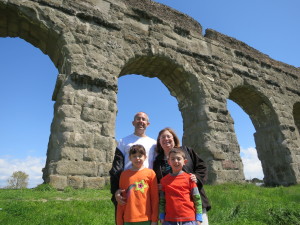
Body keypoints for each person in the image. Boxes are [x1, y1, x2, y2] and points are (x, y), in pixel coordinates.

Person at [153, 127, 211, 225]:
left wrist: (196, 178)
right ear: (159, 141)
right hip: (171, 209)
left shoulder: (186, 150)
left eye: (168, 136)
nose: (166, 139)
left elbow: (202, 166)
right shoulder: (157, 161)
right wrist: (158, 186)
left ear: (174, 138)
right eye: (162, 137)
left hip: (194, 201)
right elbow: (156, 178)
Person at [109, 112, 156, 216]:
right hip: (128, 184)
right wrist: (116, 190)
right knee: (126, 215)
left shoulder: (154, 143)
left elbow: (157, 165)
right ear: (133, 123)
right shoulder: (123, 141)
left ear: (148, 124)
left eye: (143, 119)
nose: (141, 121)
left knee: (146, 215)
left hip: (146, 184)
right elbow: (117, 167)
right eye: (138, 119)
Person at [117, 144, 159, 225]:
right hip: (128, 219)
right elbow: (121, 199)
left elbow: (155, 198)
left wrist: (154, 219)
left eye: (140, 155)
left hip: (146, 218)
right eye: (134, 156)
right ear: (129, 158)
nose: (137, 158)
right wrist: (119, 221)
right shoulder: (124, 175)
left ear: (145, 157)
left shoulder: (150, 173)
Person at [159, 147, 202, 225]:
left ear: (184, 161)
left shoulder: (190, 178)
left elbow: (197, 198)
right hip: (169, 220)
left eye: (178, 159)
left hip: (189, 220)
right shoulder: (164, 181)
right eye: (172, 159)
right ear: (169, 162)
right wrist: (161, 216)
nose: (176, 161)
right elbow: (162, 201)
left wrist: (199, 217)